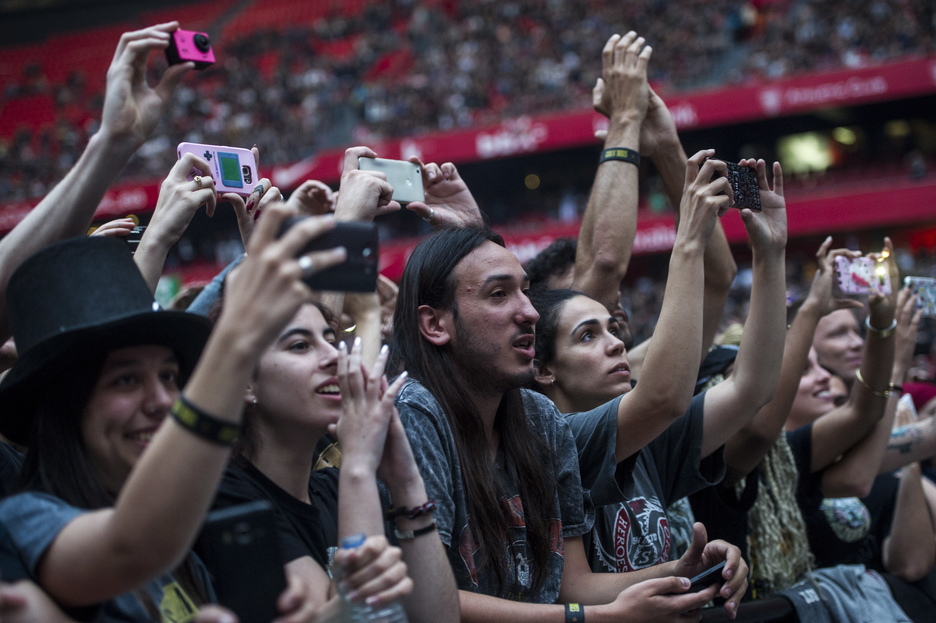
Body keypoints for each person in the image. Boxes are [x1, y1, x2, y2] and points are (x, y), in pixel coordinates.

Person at [0, 205, 346, 622]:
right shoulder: (24, 522)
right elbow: (128, 548)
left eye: (168, 376)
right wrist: (236, 344)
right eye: (125, 380)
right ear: (63, 403)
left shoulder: (186, 550)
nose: (162, 400)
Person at [391, 226, 748, 622]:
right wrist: (596, 619)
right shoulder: (413, 415)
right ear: (436, 325)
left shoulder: (540, 420)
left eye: (525, 291)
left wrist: (679, 573)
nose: (529, 311)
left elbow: (571, 585)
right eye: (499, 294)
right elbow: (426, 601)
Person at [529, 155, 787, 580]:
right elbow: (665, 398)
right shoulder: (550, 440)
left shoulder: (646, 442)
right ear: (544, 369)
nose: (616, 343)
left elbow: (751, 387)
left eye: (613, 328)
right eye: (587, 336)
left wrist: (770, 253)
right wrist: (687, 242)